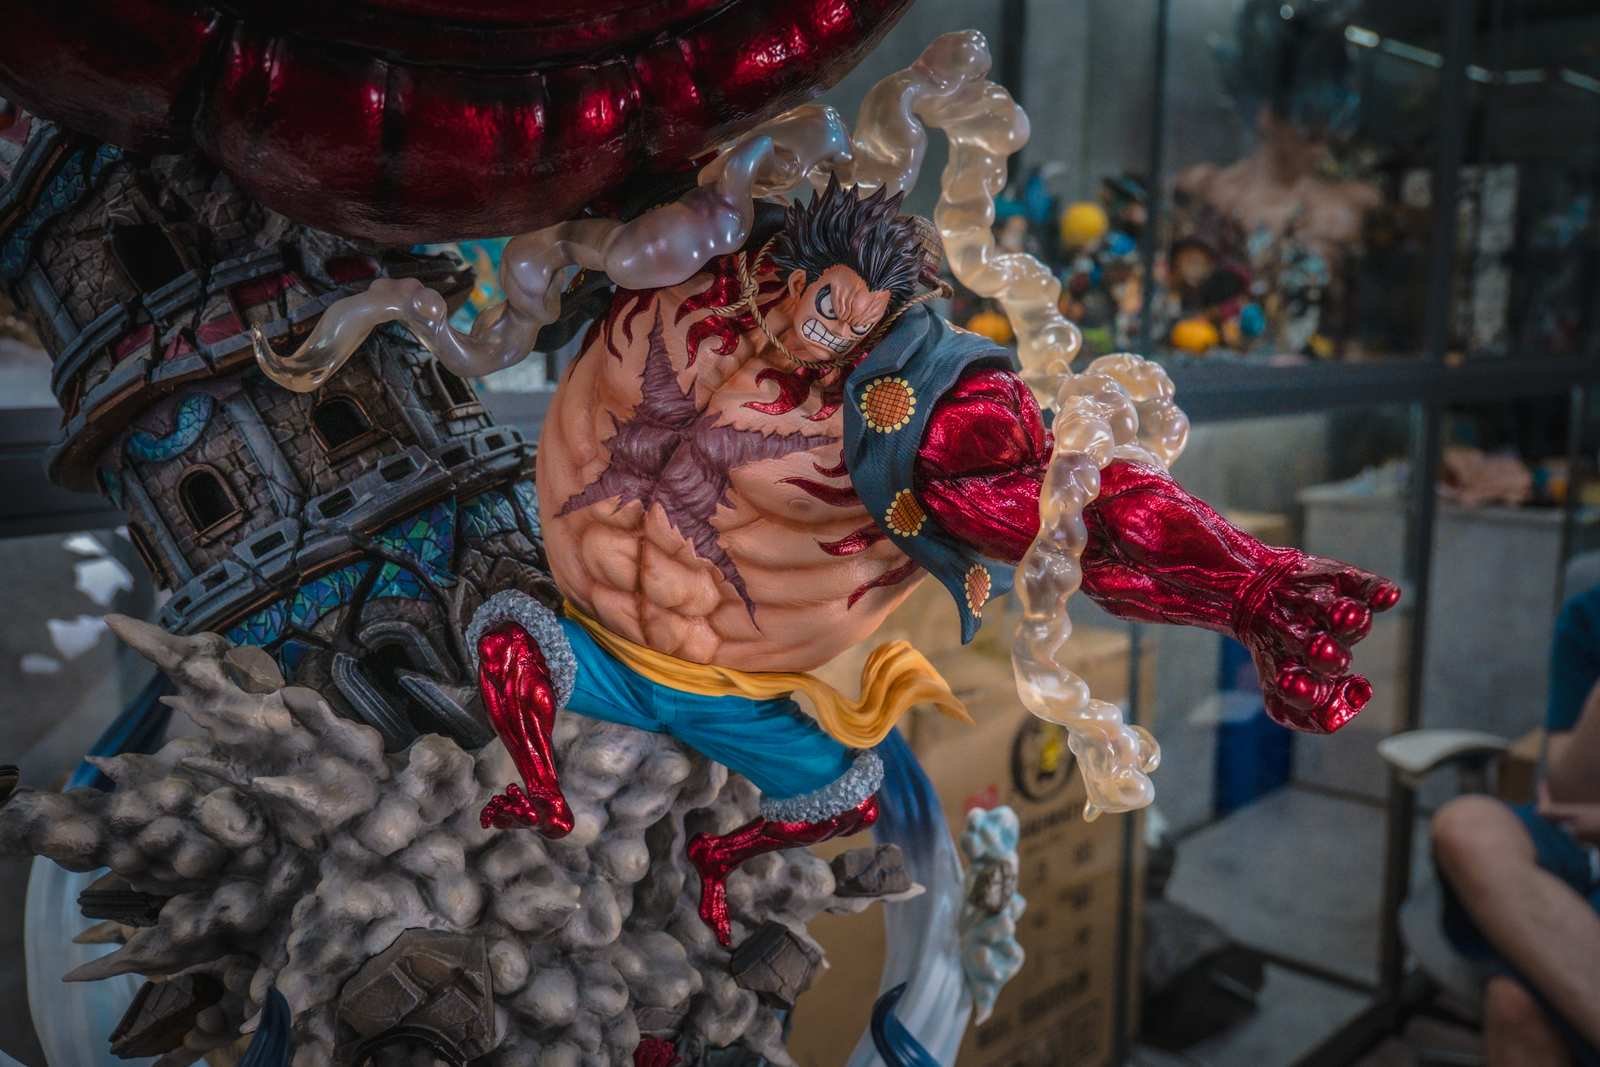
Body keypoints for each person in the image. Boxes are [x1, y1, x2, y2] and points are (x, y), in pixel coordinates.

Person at [1433, 586, 1600, 1066]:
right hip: (1579, 839)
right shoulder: (1588, 614)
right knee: (1467, 825)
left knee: (1514, 1004)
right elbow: (1567, 787)